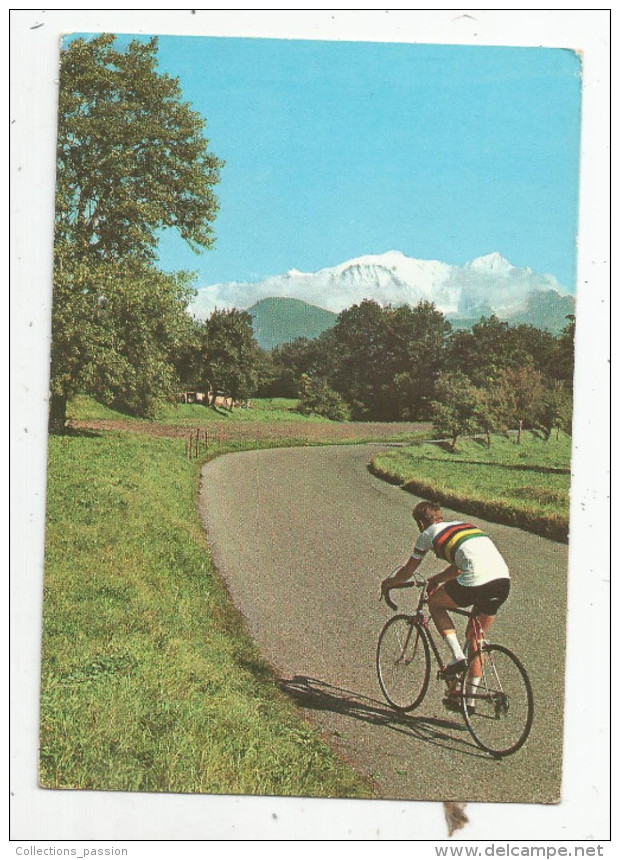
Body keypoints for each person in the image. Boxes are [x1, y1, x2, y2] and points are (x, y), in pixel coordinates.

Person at [381, 500, 510, 712]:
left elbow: (408, 570)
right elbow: (459, 568)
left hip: (476, 579)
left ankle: (457, 656)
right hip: (501, 580)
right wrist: (437, 579)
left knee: (435, 604)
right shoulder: (464, 526)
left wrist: (389, 583)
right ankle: (468, 701)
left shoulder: (427, 534)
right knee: (475, 637)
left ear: (422, 524)